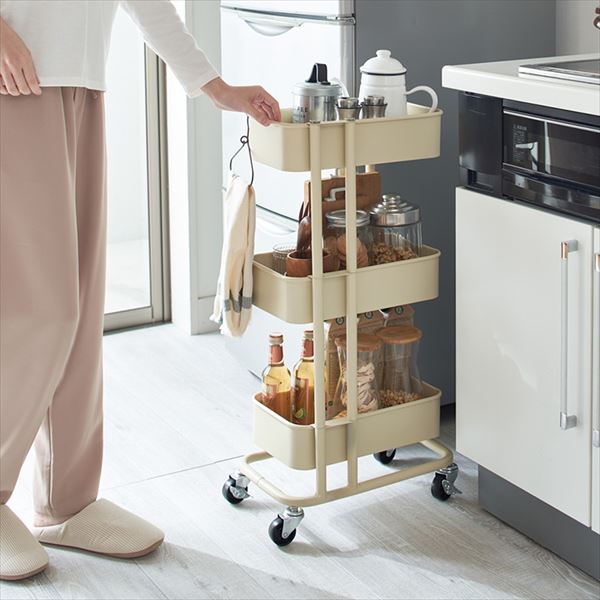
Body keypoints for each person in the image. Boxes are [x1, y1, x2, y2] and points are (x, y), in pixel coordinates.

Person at [0, 0, 280, 582]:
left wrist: (215, 87)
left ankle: (67, 500)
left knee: (80, 312)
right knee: (40, 311)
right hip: (12, 81)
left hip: (81, 83)